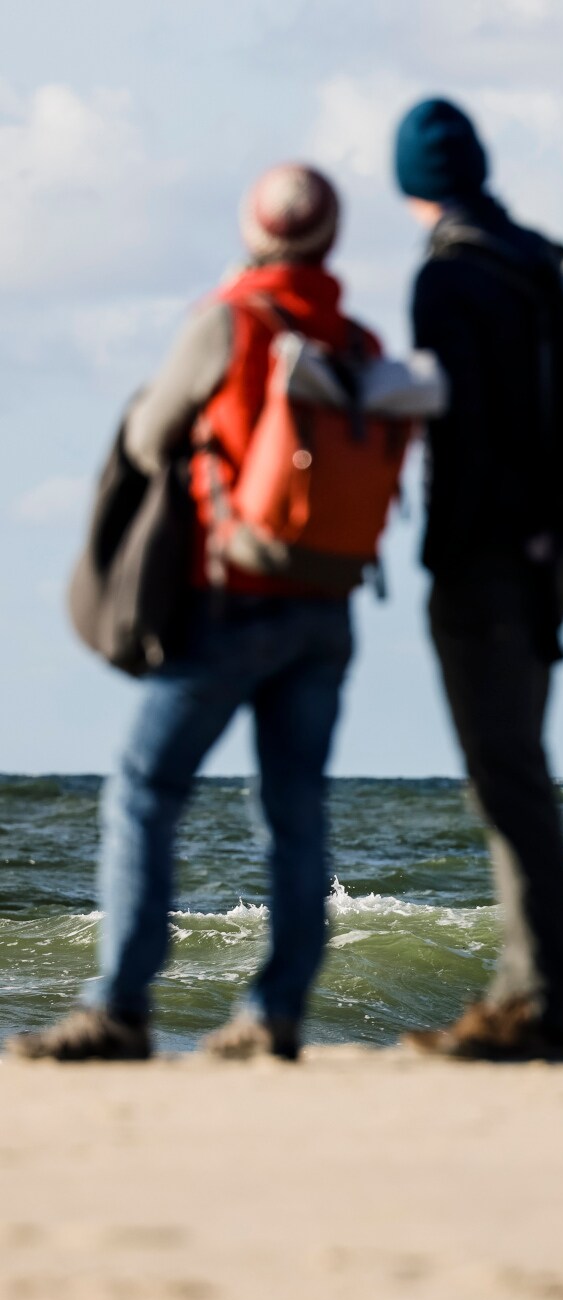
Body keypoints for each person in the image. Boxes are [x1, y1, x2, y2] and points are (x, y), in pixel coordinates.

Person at [9, 165, 363, 1062]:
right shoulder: (355, 341)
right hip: (329, 608)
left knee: (144, 790)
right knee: (296, 812)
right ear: (329, 238)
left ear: (254, 230)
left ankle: (121, 1004)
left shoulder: (231, 321)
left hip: (232, 601)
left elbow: (147, 435)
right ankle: (276, 1012)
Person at [392, 97, 563, 1061]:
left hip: (490, 555)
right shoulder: (537, 258)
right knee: (516, 768)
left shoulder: (454, 277)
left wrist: (444, 551)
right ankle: (528, 993)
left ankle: (540, 1004)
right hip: (562, 548)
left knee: (505, 772)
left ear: (411, 185)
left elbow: (465, 434)